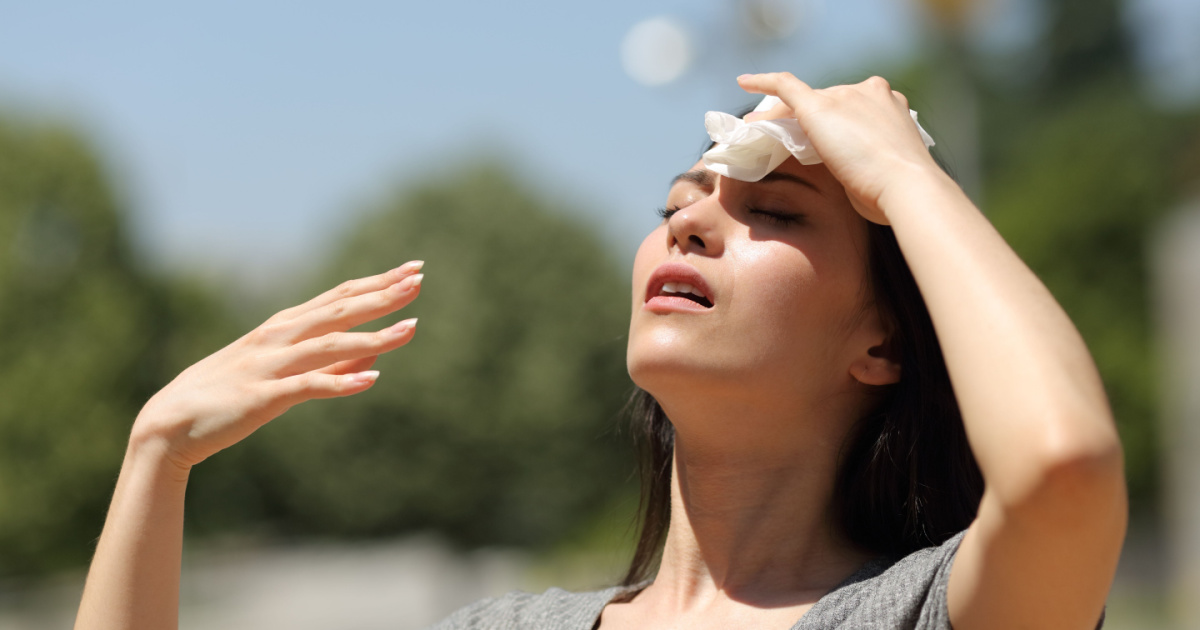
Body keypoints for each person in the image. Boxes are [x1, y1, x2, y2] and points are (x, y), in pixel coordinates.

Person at [73, 73, 1126, 630]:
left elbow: (1061, 469)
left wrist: (902, 173)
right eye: (676, 202)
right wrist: (156, 457)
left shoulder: (924, 613)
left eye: (778, 213)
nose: (692, 224)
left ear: (884, 340)